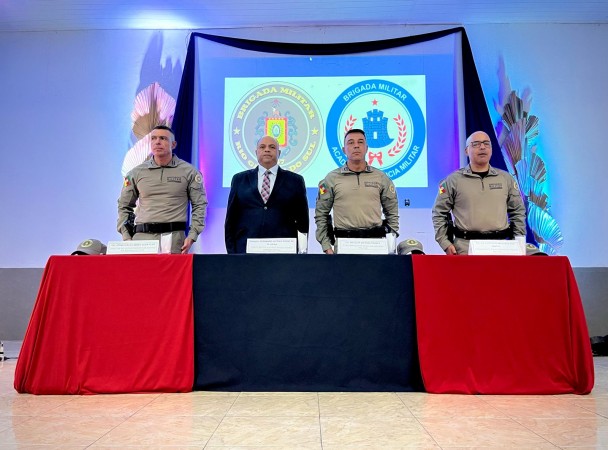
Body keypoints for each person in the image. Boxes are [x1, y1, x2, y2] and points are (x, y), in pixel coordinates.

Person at [432, 130, 526, 255]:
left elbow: (518, 211)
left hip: (501, 247)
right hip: (465, 248)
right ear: (466, 151)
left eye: (486, 143)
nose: (482, 147)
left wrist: (518, 240)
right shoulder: (453, 180)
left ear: (491, 149)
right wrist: (445, 243)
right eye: (476, 144)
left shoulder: (506, 179)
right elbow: (439, 212)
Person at [117, 125, 208, 254]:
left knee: (172, 274)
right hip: (142, 238)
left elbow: (199, 205)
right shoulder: (136, 173)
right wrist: (126, 237)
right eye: (153, 138)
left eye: (163, 138)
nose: (157, 142)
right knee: (142, 274)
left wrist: (193, 235)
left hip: (173, 238)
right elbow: (123, 205)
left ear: (174, 144)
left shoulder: (189, 172)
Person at [315, 128, 399, 254]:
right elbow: (321, 214)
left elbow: (392, 211)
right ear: (344, 150)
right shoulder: (331, 179)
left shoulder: (381, 178)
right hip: (345, 243)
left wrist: (390, 242)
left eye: (360, 142)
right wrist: (326, 246)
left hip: (375, 243)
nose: (356, 146)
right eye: (351, 143)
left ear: (366, 148)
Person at [225, 135, 309, 254]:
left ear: (279, 153)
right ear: (256, 152)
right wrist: (232, 254)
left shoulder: (295, 181)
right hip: (245, 252)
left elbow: (303, 222)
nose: (267, 149)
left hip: (283, 254)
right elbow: (231, 221)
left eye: (272, 147)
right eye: (262, 147)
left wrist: (301, 253)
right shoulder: (239, 179)